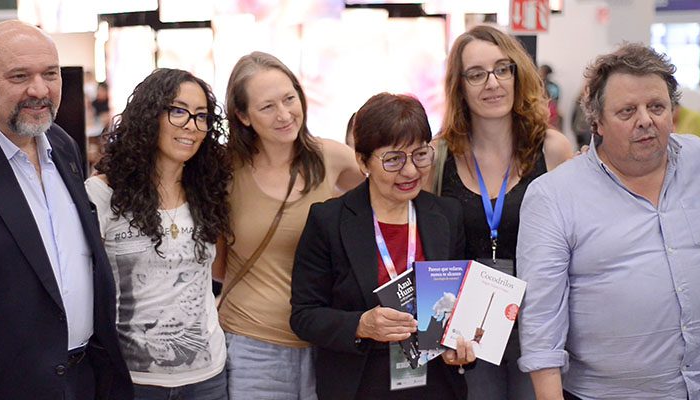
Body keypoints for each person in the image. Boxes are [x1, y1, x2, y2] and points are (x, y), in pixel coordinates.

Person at [0, 20, 132, 399]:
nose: (39, 90)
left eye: (50, 74)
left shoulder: (63, 145)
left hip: (85, 380)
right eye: (20, 76)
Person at [517, 43, 700, 399]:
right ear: (596, 121)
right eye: (627, 111)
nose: (645, 120)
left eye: (656, 107)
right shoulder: (554, 196)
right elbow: (541, 327)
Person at [291, 92, 475, 400]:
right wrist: (360, 325)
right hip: (360, 382)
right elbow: (304, 315)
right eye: (393, 160)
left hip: (435, 383)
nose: (411, 171)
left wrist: (459, 348)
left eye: (420, 155)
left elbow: (458, 305)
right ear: (362, 161)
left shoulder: (446, 216)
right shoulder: (330, 220)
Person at [426, 24, 572, 400]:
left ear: (517, 74)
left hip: (538, 325)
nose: (492, 83)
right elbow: (428, 248)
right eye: (476, 74)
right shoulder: (438, 157)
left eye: (502, 69)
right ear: (459, 86)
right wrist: (436, 330)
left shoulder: (553, 150)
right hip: (467, 331)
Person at [214, 51, 363, 399]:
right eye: (267, 107)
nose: (284, 114)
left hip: (324, 343)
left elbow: (388, 196)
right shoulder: (224, 169)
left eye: (289, 99)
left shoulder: (331, 158)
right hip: (252, 345)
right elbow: (217, 265)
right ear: (243, 115)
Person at [85, 68, 231, 399]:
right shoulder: (102, 194)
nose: (191, 126)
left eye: (201, 116)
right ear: (150, 115)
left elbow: (217, 271)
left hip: (207, 378)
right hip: (133, 380)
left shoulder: (208, 191)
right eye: (178, 111)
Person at [539, 64, 561, 129]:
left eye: (541, 71)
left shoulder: (551, 87)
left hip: (549, 112)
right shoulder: (554, 86)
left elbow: (555, 101)